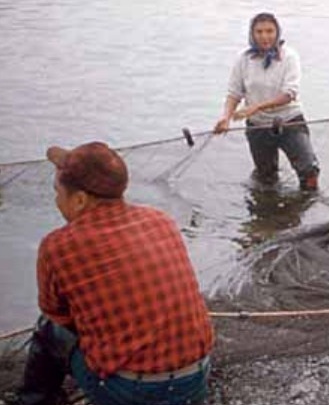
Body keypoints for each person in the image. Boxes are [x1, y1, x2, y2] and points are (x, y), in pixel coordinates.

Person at [17, 142, 214, 405]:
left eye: (57, 192)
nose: (56, 200)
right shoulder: (160, 220)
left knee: (49, 329)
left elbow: (58, 314)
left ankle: (35, 401)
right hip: (196, 378)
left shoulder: (58, 245)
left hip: (134, 392)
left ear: (79, 200)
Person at [213, 12, 320, 191]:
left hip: (289, 121)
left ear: (277, 33)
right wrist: (226, 117)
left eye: (269, 31)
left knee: (309, 170)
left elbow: (289, 94)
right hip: (258, 125)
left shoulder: (289, 56)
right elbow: (234, 93)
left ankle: (308, 204)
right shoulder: (244, 59)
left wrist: (255, 107)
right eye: (259, 32)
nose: (264, 36)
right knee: (265, 176)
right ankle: (268, 212)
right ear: (252, 34)